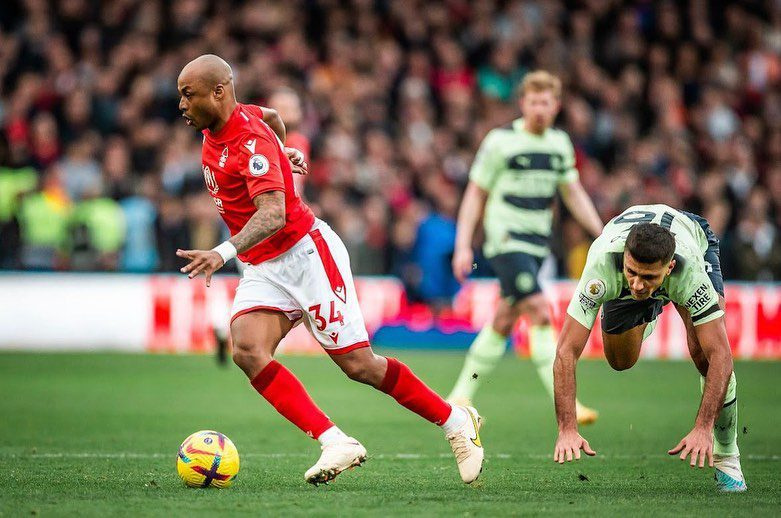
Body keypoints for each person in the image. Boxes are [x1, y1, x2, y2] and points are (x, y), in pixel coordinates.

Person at [175, 55, 484, 485]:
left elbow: (275, 213)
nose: (182, 105)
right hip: (265, 267)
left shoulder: (247, 140)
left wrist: (222, 252)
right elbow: (274, 117)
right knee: (246, 350)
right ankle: (335, 441)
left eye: (188, 95)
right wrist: (282, 150)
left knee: (360, 365)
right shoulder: (232, 123)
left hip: (307, 256)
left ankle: (455, 422)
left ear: (219, 92)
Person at [552, 204, 746, 492]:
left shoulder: (689, 270)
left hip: (694, 238)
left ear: (668, 268)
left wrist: (704, 428)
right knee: (620, 360)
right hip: (643, 257)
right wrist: (567, 427)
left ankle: (728, 455)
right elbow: (566, 350)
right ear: (625, 260)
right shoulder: (602, 264)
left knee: (704, 354)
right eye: (632, 272)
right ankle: (651, 311)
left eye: (649, 278)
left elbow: (723, 356)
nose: (638, 285)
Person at [448, 71, 603, 425]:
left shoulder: (560, 144)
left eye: (545, 103)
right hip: (504, 238)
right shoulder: (500, 142)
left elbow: (573, 192)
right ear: (522, 104)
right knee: (540, 311)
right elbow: (476, 193)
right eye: (532, 102)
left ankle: (460, 395)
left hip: (537, 243)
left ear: (556, 106)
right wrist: (463, 245)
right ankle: (567, 405)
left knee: (504, 319)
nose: (538, 109)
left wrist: (600, 231)